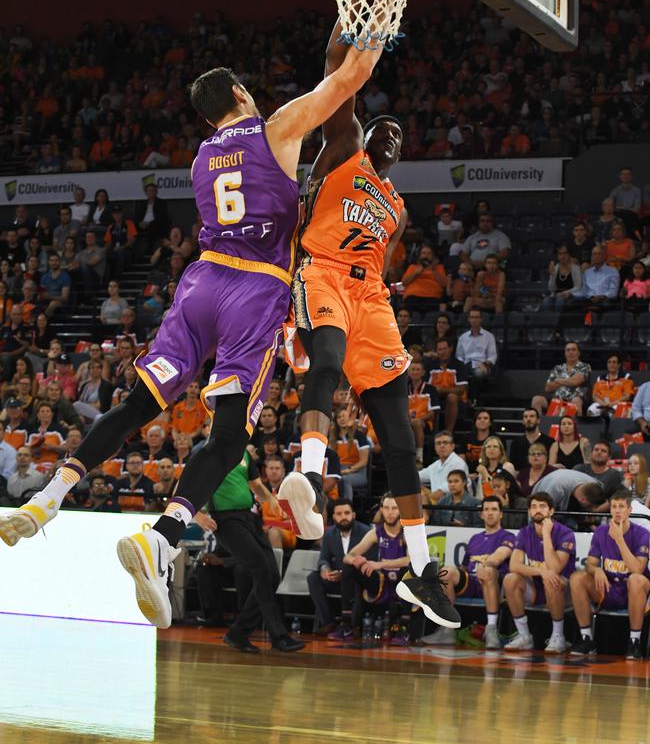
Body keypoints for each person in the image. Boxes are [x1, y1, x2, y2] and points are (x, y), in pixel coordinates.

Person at [0, 36, 382, 630]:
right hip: (253, 289)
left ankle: (46, 500)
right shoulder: (274, 128)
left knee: (137, 404)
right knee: (230, 438)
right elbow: (345, 87)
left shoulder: (204, 155)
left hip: (200, 283)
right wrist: (374, 25)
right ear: (239, 93)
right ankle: (163, 535)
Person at [278, 19, 460, 629]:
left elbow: (381, 260)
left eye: (397, 134)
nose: (389, 132)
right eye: (384, 126)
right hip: (322, 272)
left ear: (401, 155)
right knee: (326, 360)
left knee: (401, 439)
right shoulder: (344, 148)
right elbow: (339, 78)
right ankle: (308, 479)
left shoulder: (399, 210)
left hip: (372, 299)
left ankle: (418, 570)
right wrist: (352, 27)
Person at [195, 448, 306, 653]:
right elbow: (179, 490)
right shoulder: (206, 454)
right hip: (225, 520)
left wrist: (273, 501)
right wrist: (197, 515)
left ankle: (239, 633)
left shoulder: (243, 454)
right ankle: (278, 636)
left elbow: (256, 485)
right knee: (262, 570)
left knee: (272, 574)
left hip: (249, 517)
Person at [422, 496, 514, 649]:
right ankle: (447, 629)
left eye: (494, 509)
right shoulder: (475, 538)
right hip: (471, 582)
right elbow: (464, 568)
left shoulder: (507, 536)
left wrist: (485, 566)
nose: (490, 513)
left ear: (501, 514)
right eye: (486, 510)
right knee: (446, 572)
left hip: (493, 583)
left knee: (488, 571)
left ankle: (491, 629)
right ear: (481, 514)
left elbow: (499, 557)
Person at [570, 490, 650, 659]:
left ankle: (634, 642)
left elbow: (637, 569)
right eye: (614, 507)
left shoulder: (642, 534)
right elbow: (590, 564)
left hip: (633, 591)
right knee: (577, 578)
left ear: (629, 510)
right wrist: (596, 569)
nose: (617, 511)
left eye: (622, 507)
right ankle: (586, 639)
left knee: (636, 580)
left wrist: (620, 540)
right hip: (607, 588)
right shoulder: (601, 532)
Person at [503, 492, 576, 653]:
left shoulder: (565, 533)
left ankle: (558, 636)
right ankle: (524, 636)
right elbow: (514, 565)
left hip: (564, 590)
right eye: (534, 506)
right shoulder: (524, 532)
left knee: (552, 579)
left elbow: (555, 568)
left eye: (542, 506)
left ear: (551, 511)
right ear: (529, 511)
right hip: (537, 586)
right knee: (510, 579)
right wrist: (540, 572)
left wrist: (546, 535)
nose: (538, 510)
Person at [332, 493, 411, 641]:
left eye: (394, 508)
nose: (390, 512)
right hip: (382, 583)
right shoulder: (376, 532)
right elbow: (348, 556)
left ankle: (403, 628)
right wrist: (356, 560)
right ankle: (347, 625)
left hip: (402, 582)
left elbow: (410, 560)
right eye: (386, 508)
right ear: (381, 510)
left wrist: (380, 564)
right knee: (349, 567)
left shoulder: (408, 532)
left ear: (401, 510)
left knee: (409, 571)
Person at [307, 498, 369, 634]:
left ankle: (354, 625)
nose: (343, 517)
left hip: (356, 579)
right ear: (334, 517)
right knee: (313, 578)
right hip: (336, 579)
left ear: (353, 515)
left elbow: (369, 560)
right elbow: (323, 559)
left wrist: (346, 572)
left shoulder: (366, 532)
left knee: (359, 581)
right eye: (339, 514)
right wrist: (325, 569)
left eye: (347, 513)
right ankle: (327, 622)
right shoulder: (329, 534)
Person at [531, 342, 591, 417]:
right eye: (568, 350)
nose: (570, 352)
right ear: (565, 353)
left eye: (573, 350)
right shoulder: (558, 368)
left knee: (576, 400)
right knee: (537, 399)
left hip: (577, 400)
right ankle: (538, 427)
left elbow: (575, 382)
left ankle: (575, 427)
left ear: (578, 352)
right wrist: (569, 380)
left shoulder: (585, 366)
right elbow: (548, 388)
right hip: (558, 400)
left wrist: (557, 380)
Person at [455, 308, 497, 405]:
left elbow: (492, 356)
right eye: (472, 317)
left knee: (478, 373)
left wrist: (485, 364)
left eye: (477, 317)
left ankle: (472, 398)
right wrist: (460, 366)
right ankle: (463, 399)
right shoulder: (463, 337)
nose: (474, 320)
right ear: (469, 319)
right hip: (466, 364)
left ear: (481, 319)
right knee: (459, 373)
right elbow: (459, 356)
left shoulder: (489, 336)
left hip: (482, 364)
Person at [427, 337, 468, 433]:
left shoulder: (459, 365)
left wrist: (441, 390)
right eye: (440, 349)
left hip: (456, 399)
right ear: (436, 351)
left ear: (451, 349)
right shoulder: (429, 366)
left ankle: (448, 433)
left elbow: (461, 389)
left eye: (445, 349)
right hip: (434, 397)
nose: (442, 352)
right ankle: (432, 433)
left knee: (452, 397)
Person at [419, 430, 468, 505]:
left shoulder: (458, 463)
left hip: (456, 505)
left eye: (445, 443)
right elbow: (417, 476)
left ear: (452, 446)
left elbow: (445, 490)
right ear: (435, 448)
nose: (442, 446)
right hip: (436, 503)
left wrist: (427, 499)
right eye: (438, 443)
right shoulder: (436, 465)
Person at [406, 358, 440, 468]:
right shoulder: (403, 389)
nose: (415, 372)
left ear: (423, 372)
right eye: (413, 369)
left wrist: (420, 419)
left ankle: (419, 457)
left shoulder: (430, 389)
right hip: (406, 421)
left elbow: (433, 412)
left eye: (418, 369)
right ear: (408, 372)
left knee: (416, 423)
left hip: (424, 423)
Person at [400, 243, 447, 312]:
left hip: (432, 296)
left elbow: (444, 284)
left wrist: (434, 270)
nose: (426, 256)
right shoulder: (413, 267)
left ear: (433, 256)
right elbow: (404, 283)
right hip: (413, 295)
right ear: (419, 255)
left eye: (429, 254)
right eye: (424, 253)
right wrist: (415, 273)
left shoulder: (439, 268)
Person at [587, 353, 635, 418]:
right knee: (591, 410)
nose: (611, 364)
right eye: (609, 362)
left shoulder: (626, 377)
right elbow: (594, 396)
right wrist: (603, 404)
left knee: (617, 411)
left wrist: (612, 403)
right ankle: (595, 428)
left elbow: (627, 396)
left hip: (618, 403)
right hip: (602, 403)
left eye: (614, 362)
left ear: (619, 365)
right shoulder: (600, 378)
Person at [509, 408, 555, 472]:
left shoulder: (549, 441)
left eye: (532, 416)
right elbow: (513, 466)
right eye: (525, 417)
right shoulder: (516, 442)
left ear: (538, 420)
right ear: (522, 421)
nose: (528, 419)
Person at [542, 245, 582, 310]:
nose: (562, 256)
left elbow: (578, 287)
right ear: (557, 256)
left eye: (565, 253)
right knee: (546, 301)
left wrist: (564, 293)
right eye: (560, 254)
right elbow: (551, 289)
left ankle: (559, 320)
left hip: (570, 295)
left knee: (560, 301)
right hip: (556, 295)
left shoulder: (575, 268)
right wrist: (552, 275)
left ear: (569, 255)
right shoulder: (555, 268)